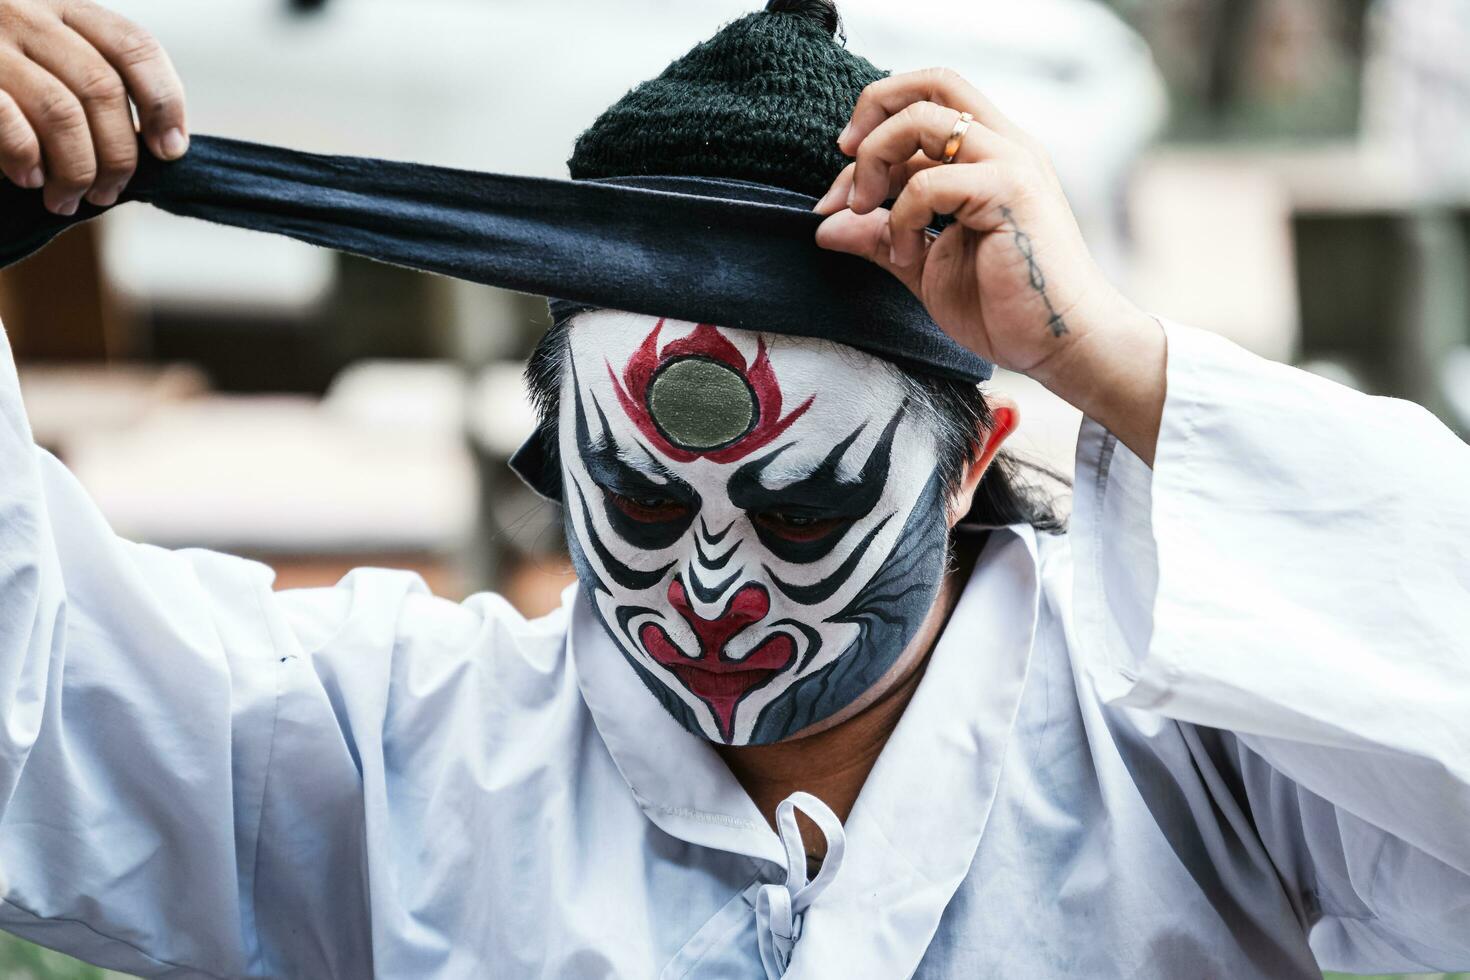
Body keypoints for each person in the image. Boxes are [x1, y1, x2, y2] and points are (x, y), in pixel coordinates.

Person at [1, 1, 1468, 977]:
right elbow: (35, 676)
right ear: (553, 457)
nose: (709, 587)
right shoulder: (393, 753)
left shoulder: (1191, 750)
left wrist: (1122, 363)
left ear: (967, 464)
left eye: (802, 510)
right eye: (642, 504)